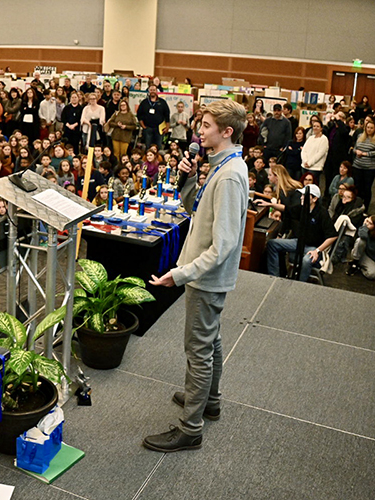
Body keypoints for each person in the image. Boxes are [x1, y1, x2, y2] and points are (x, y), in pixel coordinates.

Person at [144, 99, 250, 452]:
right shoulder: (221, 166)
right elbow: (195, 209)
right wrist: (189, 180)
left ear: (226, 131)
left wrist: (181, 274)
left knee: (198, 349)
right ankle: (210, 400)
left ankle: (190, 428)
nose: (199, 131)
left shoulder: (230, 176)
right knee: (211, 339)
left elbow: (223, 245)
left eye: (205, 125)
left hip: (206, 277)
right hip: (204, 276)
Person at [266, 184, 338, 282]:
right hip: (299, 242)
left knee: (306, 260)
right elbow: (286, 209)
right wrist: (270, 204)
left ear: (314, 199)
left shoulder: (322, 213)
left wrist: (317, 251)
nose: (301, 197)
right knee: (272, 244)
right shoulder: (301, 208)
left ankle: (300, 284)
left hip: (313, 247)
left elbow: (333, 236)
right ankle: (274, 278)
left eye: (305, 195)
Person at [137, 85, 170, 150]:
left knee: (159, 147)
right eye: (151, 90)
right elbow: (139, 115)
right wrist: (143, 126)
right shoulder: (144, 102)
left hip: (159, 129)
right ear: (149, 91)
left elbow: (167, 115)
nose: (152, 91)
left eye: (154, 90)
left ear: (157, 91)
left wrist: (167, 127)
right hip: (148, 128)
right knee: (148, 147)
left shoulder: (162, 102)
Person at [352, 119, 375, 211]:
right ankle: (357, 207)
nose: (369, 129)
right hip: (357, 166)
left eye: (371, 128)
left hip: (369, 168)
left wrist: (366, 154)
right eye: (368, 127)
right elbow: (354, 148)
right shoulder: (360, 136)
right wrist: (356, 151)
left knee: (367, 188)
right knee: (357, 187)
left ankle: (365, 208)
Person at [300, 118, 329, 185]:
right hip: (304, 166)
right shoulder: (310, 138)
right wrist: (305, 161)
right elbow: (304, 150)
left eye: (317, 126)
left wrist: (310, 163)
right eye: (314, 126)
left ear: (321, 128)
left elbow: (320, 153)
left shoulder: (324, 139)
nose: (315, 128)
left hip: (315, 168)